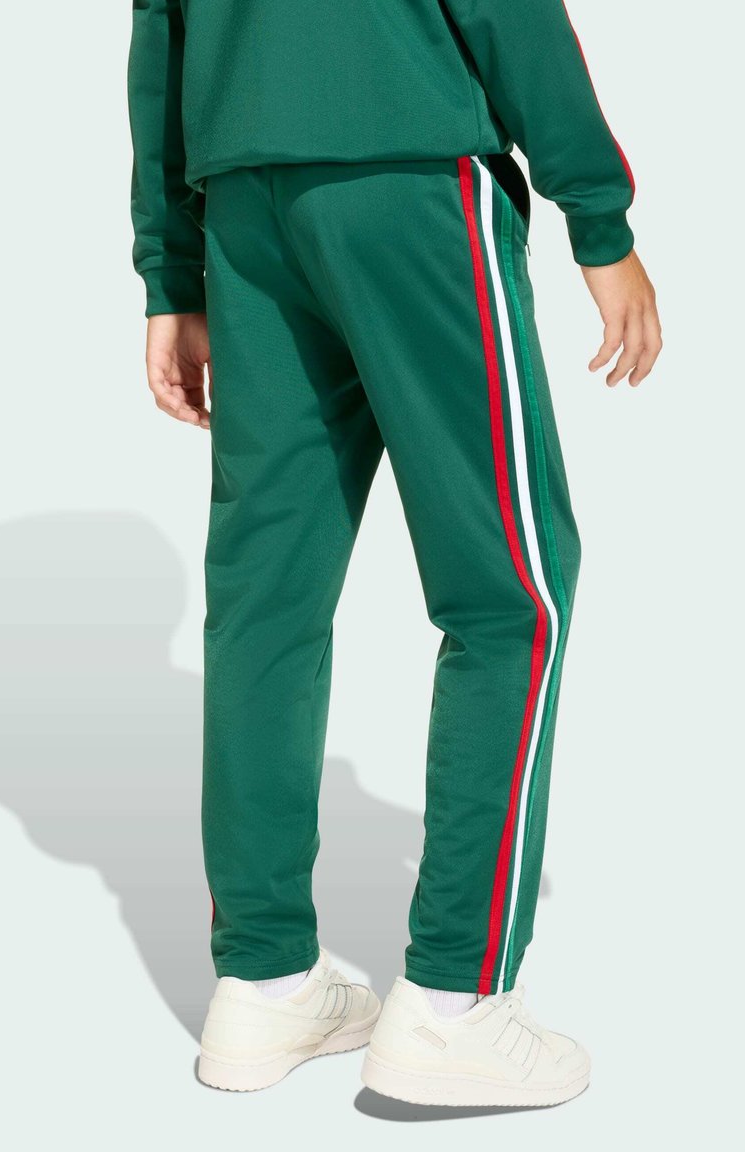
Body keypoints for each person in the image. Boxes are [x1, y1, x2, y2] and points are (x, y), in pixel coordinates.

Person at [127, 0, 662, 1107]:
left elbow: (157, 39)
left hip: (246, 207)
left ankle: (264, 980)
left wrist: (172, 274)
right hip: (409, 175)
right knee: (510, 599)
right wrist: (598, 218)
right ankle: (455, 1001)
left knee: (264, 604)